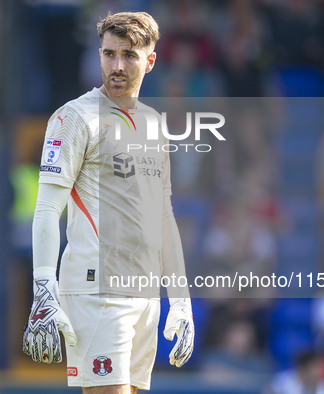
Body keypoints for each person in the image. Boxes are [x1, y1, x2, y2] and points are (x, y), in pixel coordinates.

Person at [22, 11, 195, 393]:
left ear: (150, 61)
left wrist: (179, 300)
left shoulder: (153, 124)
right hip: (96, 289)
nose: (116, 66)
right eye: (108, 54)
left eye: (129, 56)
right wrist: (43, 287)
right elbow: (48, 208)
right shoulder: (73, 118)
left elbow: (163, 217)